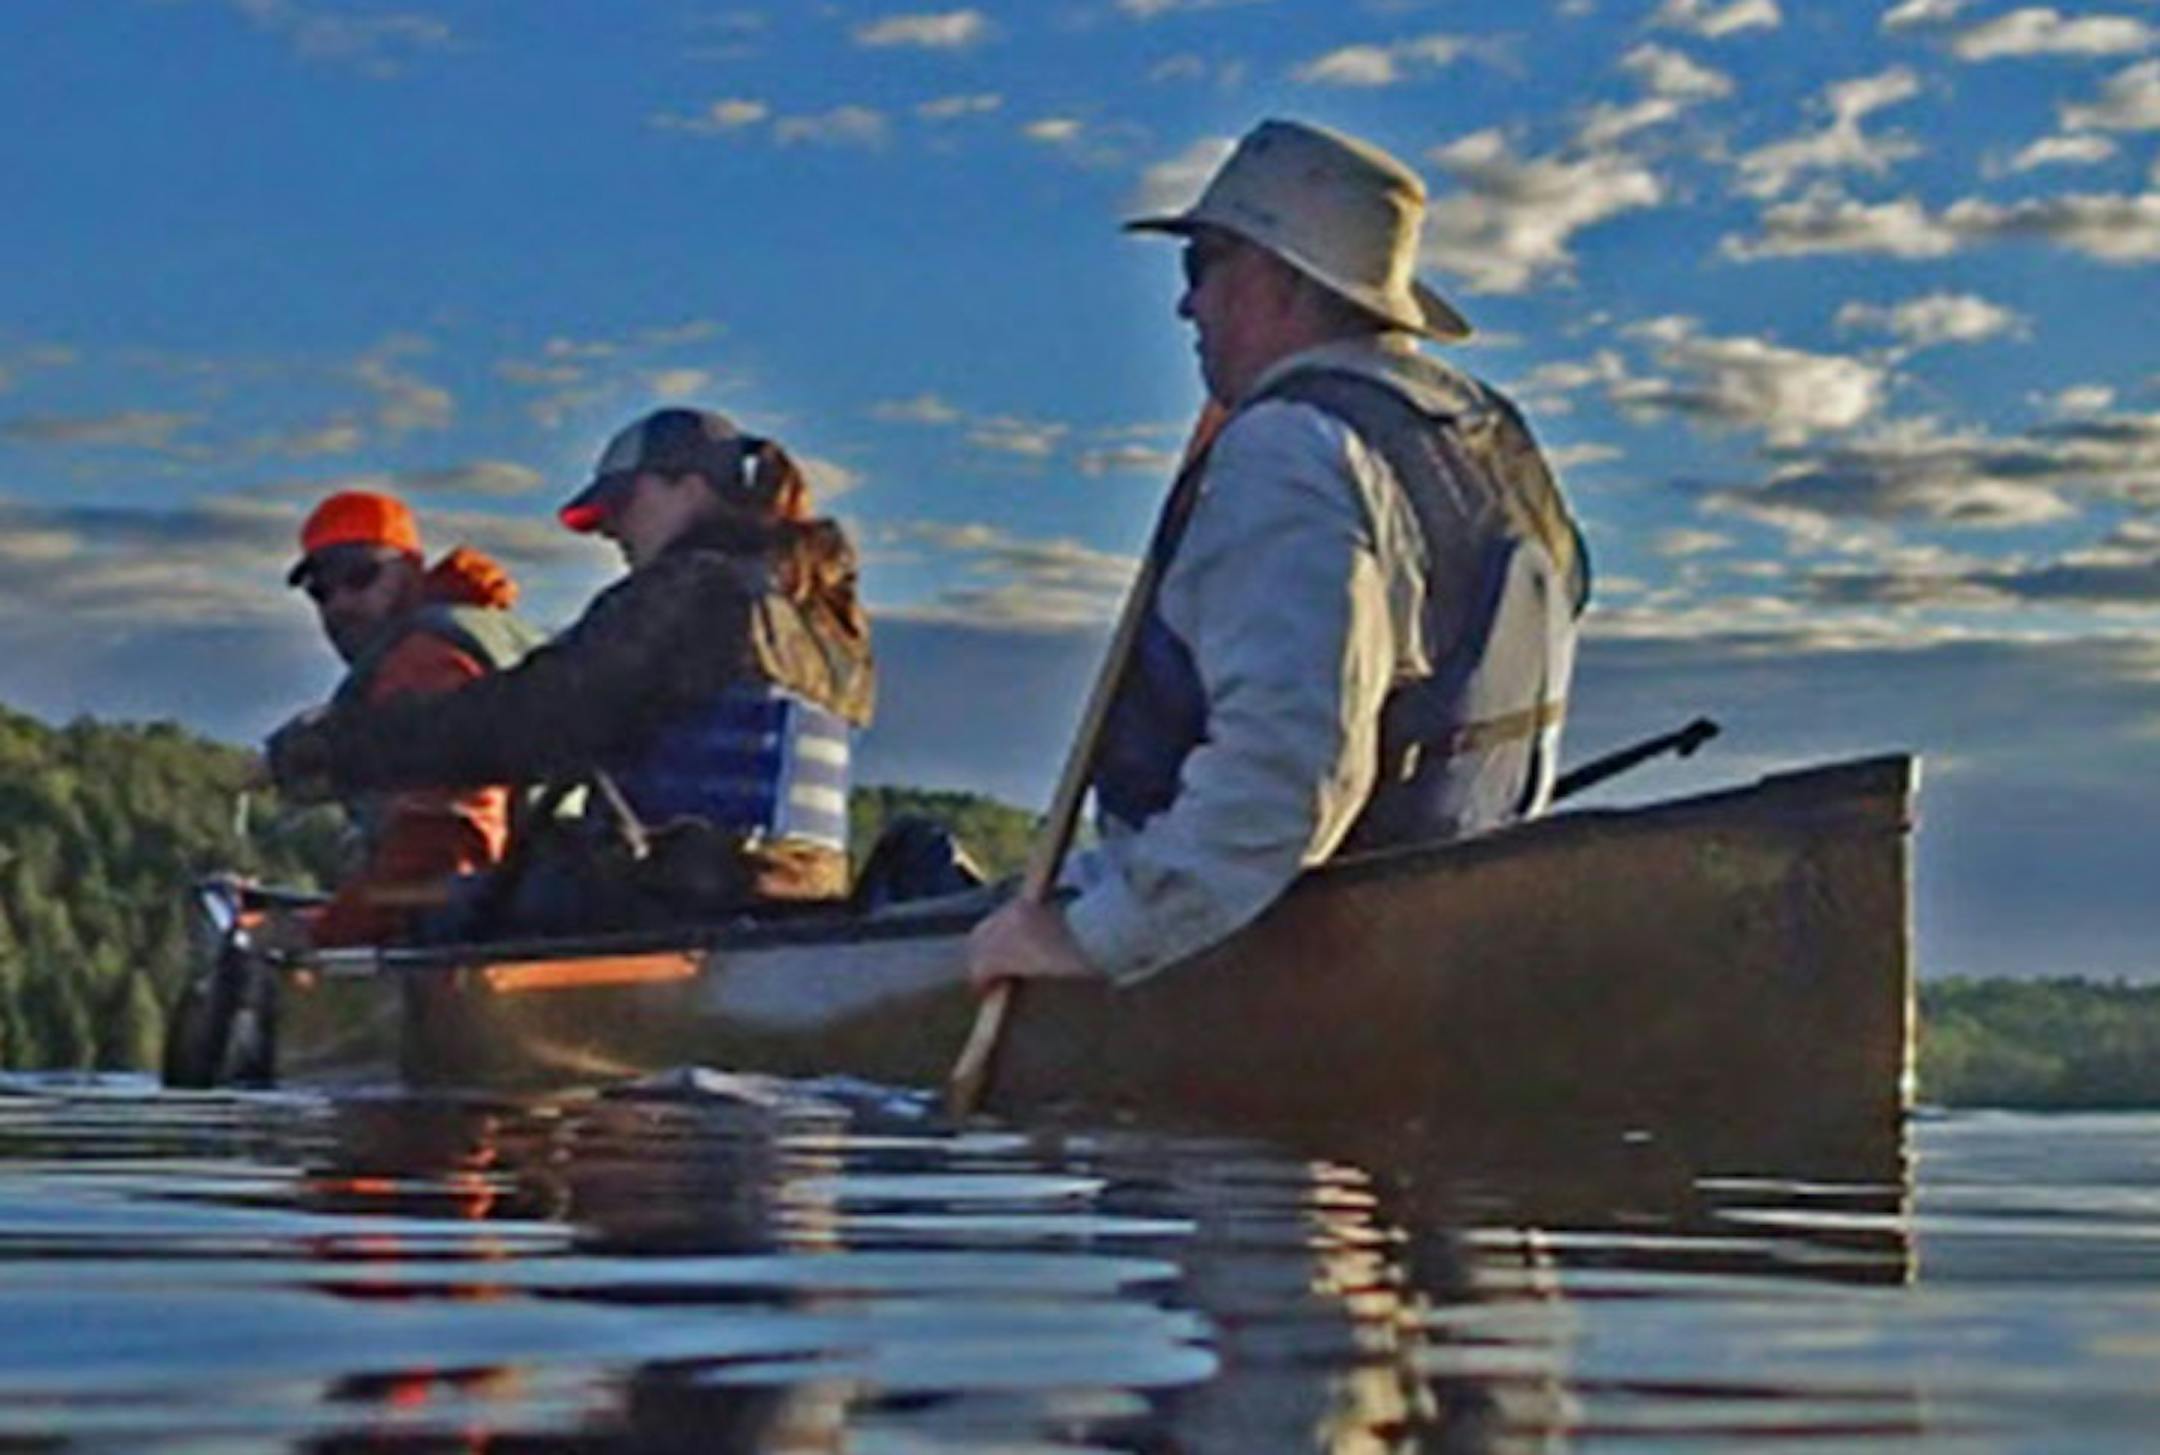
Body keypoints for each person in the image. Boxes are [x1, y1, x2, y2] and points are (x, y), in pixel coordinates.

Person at [968, 117, 1589, 992]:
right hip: (1446, 927)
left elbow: (1283, 780)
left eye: (1202, 265)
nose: (1187, 305)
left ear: (1279, 276)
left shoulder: (1292, 447)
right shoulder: (1489, 441)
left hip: (1276, 953)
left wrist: (1083, 944)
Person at [266, 407, 875, 932]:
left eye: (620, 503)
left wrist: (334, 749)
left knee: (451, 916)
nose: (608, 527)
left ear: (689, 486)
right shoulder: (826, 619)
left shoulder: (689, 592)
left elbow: (525, 723)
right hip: (797, 906)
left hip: (676, 914)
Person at [277, 490, 544, 947]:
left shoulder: (424, 660)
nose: (339, 602)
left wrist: (323, 935)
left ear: (411, 569)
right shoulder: (491, 632)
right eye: (321, 590)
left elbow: (444, 845)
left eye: (360, 576)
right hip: (545, 920)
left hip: (491, 953)